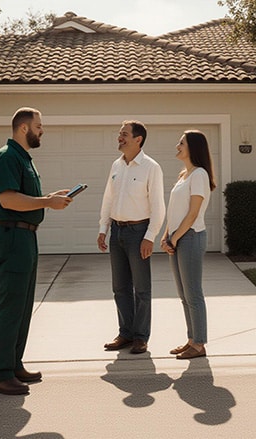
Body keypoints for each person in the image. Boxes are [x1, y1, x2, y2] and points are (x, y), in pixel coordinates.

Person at [0, 107, 72, 395]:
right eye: (39, 125)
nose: (42, 130)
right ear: (24, 128)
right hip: (12, 235)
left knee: (23, 308)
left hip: (26, 237)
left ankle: (13, 364)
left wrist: (49, 198)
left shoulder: (23, 159)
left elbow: (28, 198)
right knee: (11, 307)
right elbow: (9, 199)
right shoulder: (6, 157)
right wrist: (47, 203)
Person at [98, 120, 165, 355]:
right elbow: (108, 199)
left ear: (138, 139)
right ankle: (125, 333)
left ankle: (141, 336)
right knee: (120, 287)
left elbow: (158, 206)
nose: (120, 137)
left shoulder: (150, 167)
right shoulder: (116, 166)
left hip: (139, 234)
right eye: (119, 134)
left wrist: (150, 236)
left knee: (142, 289)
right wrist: (102, 228)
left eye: (124, 134)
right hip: (116, 231)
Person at [160, 130, 216, 359]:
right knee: (184, 295)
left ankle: (200, 344)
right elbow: (174, 211)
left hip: (191, 237)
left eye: (181, 143)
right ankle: (192, 340)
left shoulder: (199, 175)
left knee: (193, 294)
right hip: (178, 237)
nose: (177, 146)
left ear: (193, 147)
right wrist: (166, 236)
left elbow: (193, 214)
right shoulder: (185, 175)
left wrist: (175, 238)